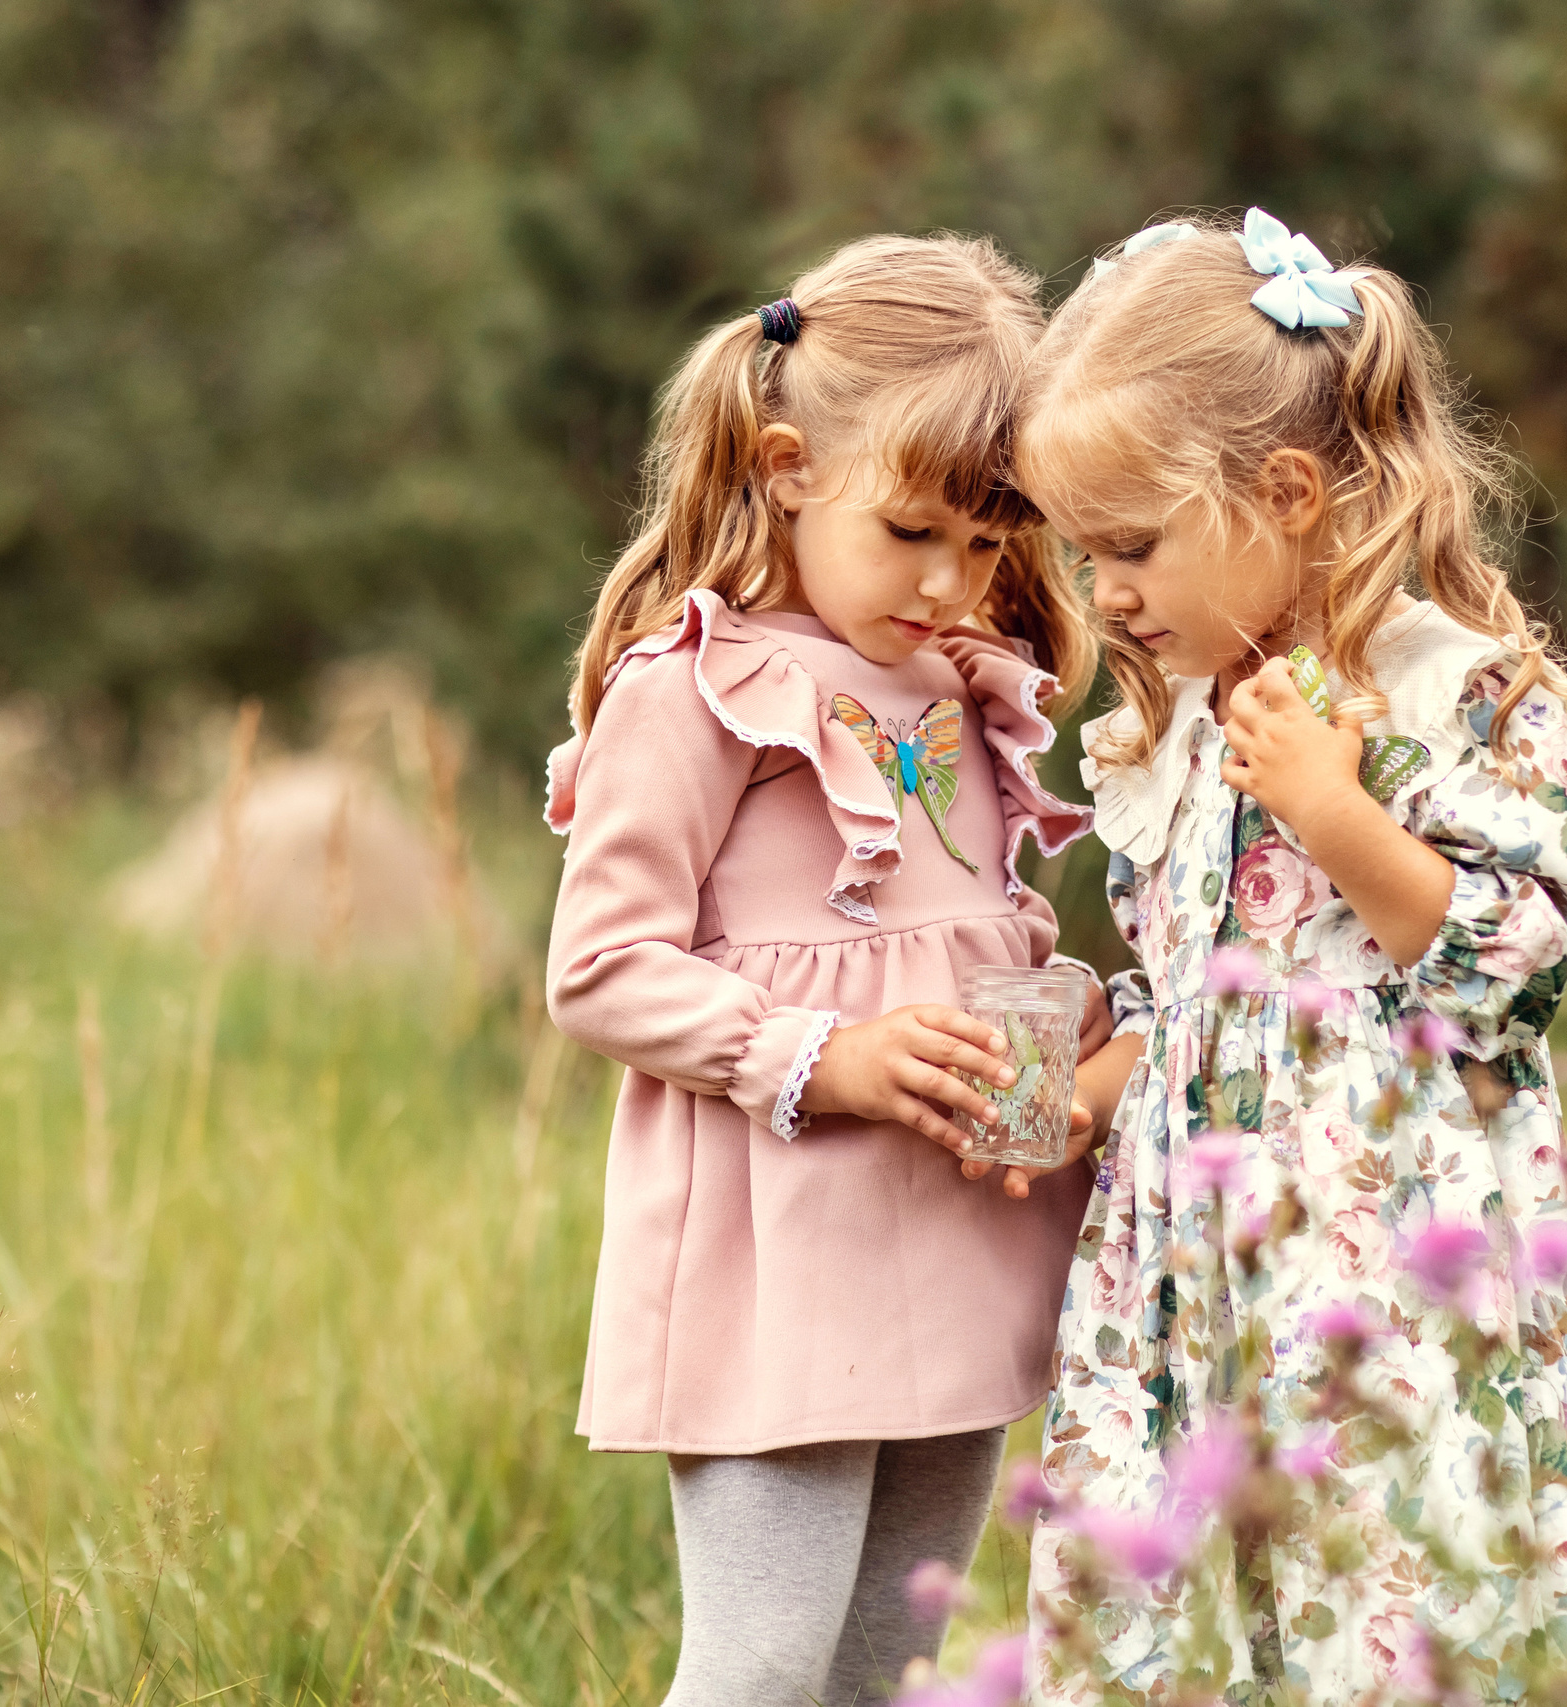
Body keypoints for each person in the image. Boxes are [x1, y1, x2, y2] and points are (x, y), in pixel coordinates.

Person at [1014, 210, 1567, 1702]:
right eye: (1087, 555)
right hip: (1186, 1289)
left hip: (1380, 1293)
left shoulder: (1453, 695)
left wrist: (1337, 811)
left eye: (1133, 548)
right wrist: (1087, 1090)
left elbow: (1520, 960)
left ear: (1285, 494)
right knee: (1180, 1623)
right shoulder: (1176, 721)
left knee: (1386, 1617)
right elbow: (1185, 989)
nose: (1108, 597)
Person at [543, 232, 1109, 1707]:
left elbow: (981, 924)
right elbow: (601, 966)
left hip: (953, 1243)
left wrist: (1059, 1024)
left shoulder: (960, 690)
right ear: (789, 467)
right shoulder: (696, 690)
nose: (952, 583)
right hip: (779, 1260)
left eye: (990, 545)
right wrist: (822, 1055)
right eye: (916, 531)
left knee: (884, 1670)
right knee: (762, 1670)